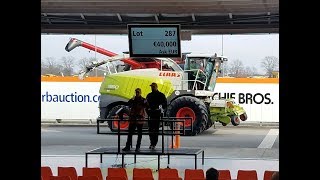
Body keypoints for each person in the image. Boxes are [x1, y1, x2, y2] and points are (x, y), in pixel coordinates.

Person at [146, 82, 167, 150]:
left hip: (156, 115)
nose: (152, 88)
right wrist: (148, 111)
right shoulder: (149, 95)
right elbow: (146, 105)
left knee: (155, 130)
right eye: (151, 87)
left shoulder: (161, 95)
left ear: (156, 87)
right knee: (151, 130)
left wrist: (159, 108)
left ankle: (153, 143)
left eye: (153, 87)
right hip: (152, 115)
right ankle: (152, 143)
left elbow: (165, 104)